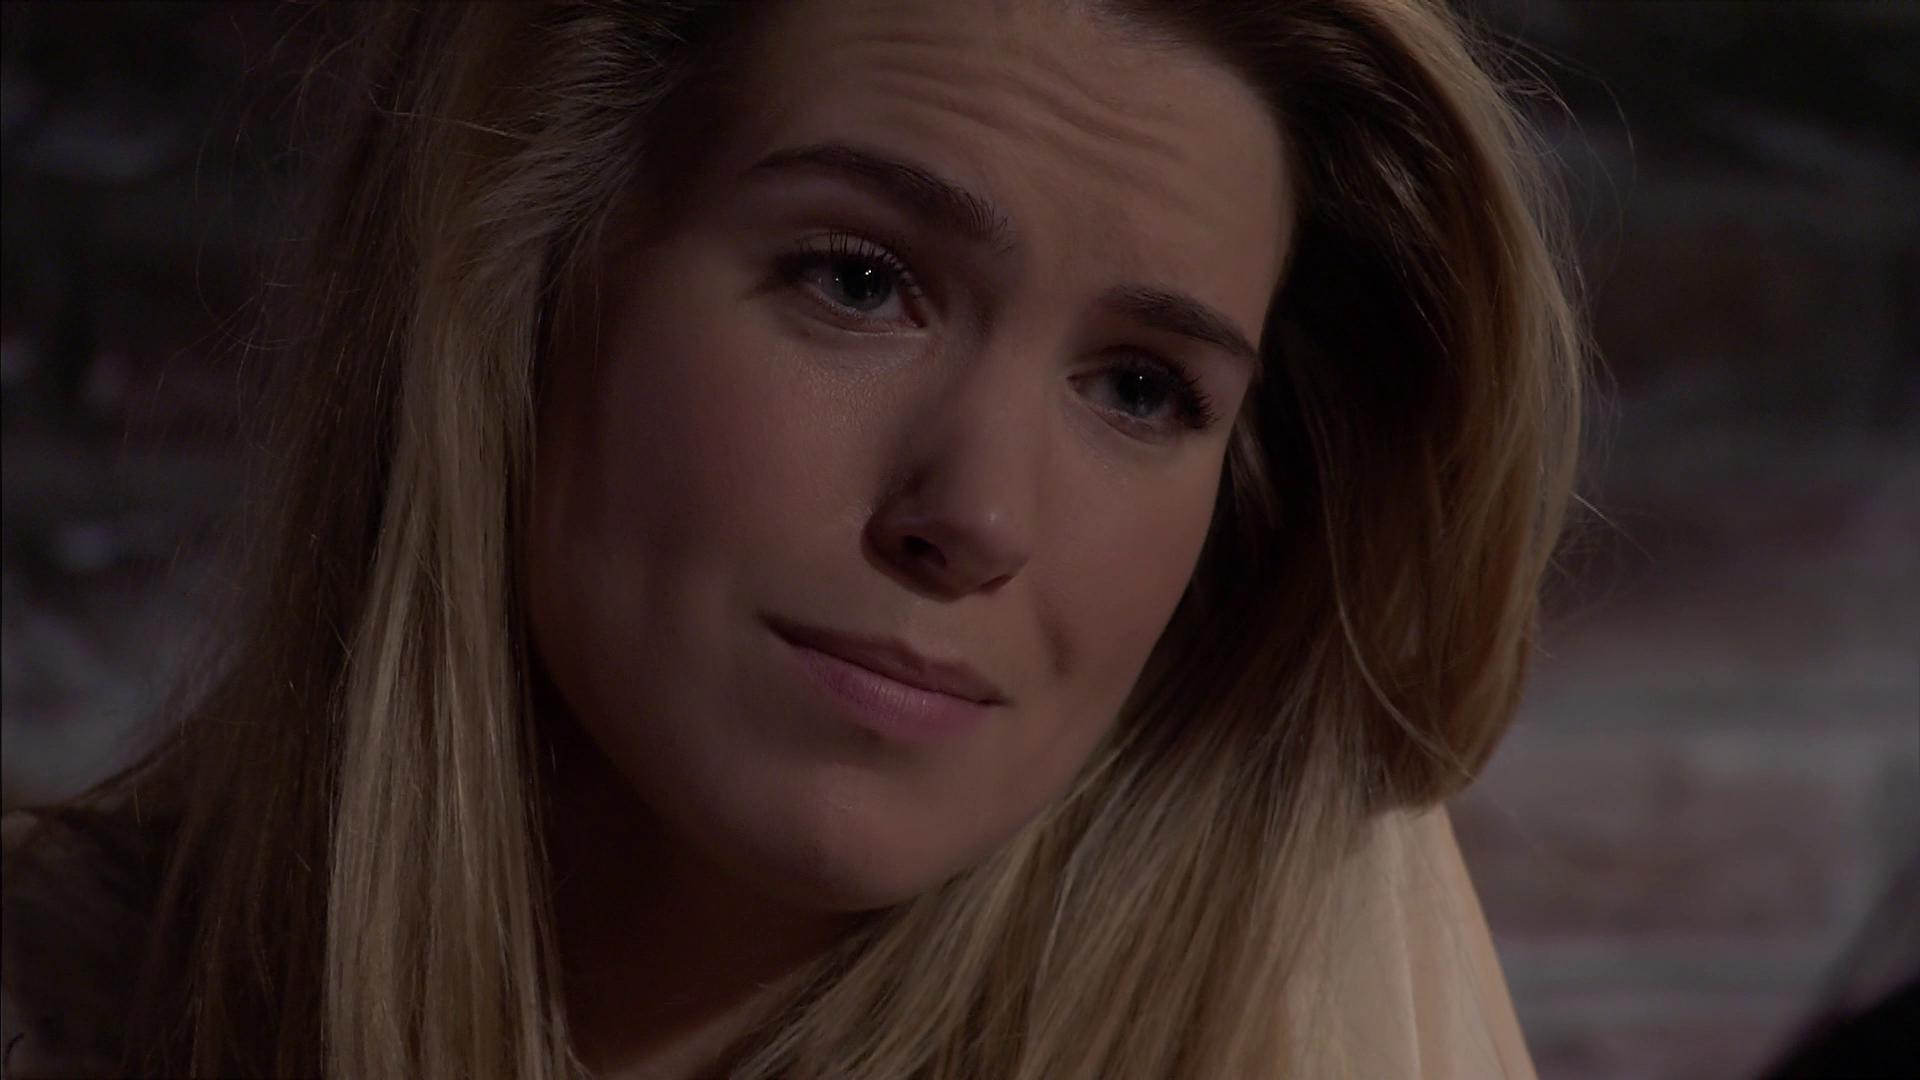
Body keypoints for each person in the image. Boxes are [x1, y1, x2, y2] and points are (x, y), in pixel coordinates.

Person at [0, 0, 1585, 1076]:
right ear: (521, 274)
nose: (976, 516)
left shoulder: (1316, 1004)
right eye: (859, 282)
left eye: (1141, 388)